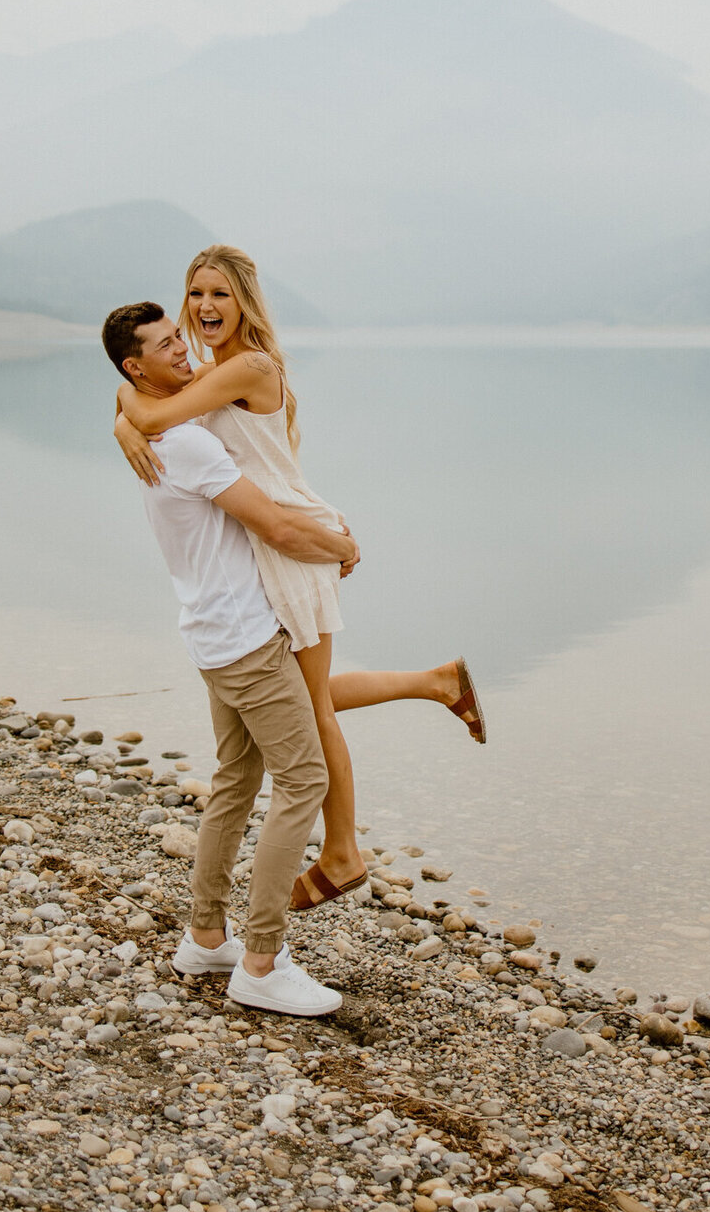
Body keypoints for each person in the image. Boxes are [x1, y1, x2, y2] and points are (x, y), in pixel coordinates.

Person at [111, 244, 486, 913]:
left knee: (307, 709)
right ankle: (438, 682)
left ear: (245, 301)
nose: (203, 307)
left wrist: (125, 421)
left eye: (219, 294)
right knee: (301, 697)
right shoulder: (212, 367)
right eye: (195, 294)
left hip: (292, 540)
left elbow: (154, 413)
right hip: (274, 536)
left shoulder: (247, 366)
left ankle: (342, 853)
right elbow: (143, 391)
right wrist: (123, 411)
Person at [101, 299, 354, 1016]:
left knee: (237, 782)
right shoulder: (185, 443)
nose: (182, 350)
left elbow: (145, 410)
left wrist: (126, 414)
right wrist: (342, 546)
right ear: (134, 365)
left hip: (211, 633)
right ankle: (262, 962)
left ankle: (206, 935)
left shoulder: (163, 428)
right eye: (165, 345)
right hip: (245, 638)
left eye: (179, 337)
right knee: (302, 781)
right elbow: (272, 523)